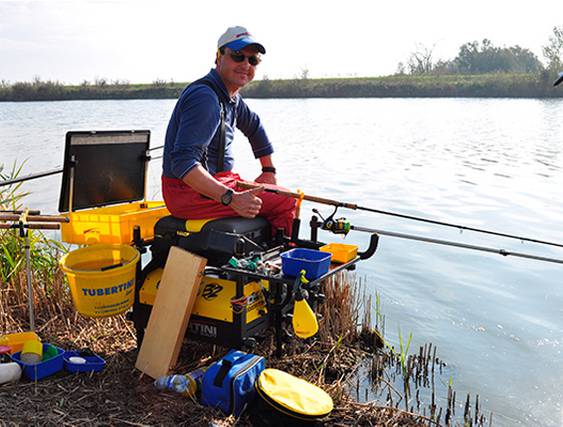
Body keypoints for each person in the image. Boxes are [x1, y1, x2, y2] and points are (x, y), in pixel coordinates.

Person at [162, 26, 296, 236]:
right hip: (187, 192)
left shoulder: (230, 97)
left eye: (253, 60)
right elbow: (182, 164)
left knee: (280, 193)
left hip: (222, 181)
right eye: (237, 56)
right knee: (286, 200)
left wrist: (268, 171)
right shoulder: (205, 98)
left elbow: (254, 126)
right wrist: (231, 198)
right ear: (218, 57)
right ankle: (280, 261)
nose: (245, 64)